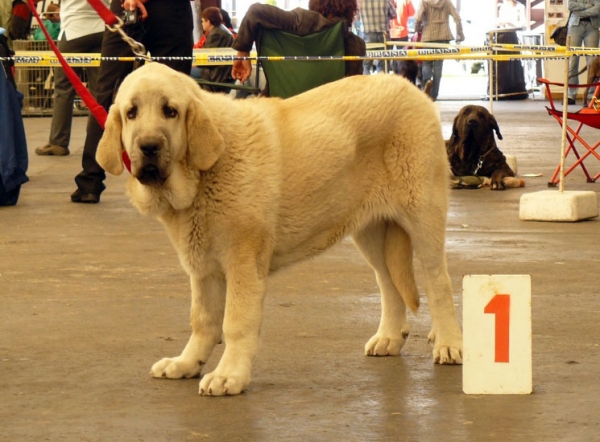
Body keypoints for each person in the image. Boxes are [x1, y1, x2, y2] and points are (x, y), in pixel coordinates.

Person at [71, 0, 193, 203]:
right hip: (172, 12)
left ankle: (90, 181)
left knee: (106, 94)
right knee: (176, 96)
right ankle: (176, 178)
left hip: (126, 8)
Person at [231, 0, 366, 90]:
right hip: (328, 117)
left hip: (281, 107)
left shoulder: (300, 21)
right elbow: (352, 91)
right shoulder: (356, 45)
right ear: (351, 9)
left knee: (246, 84)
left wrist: (243, 54)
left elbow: (254, 11)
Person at [35, 0, 107, 156]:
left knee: (64, 87)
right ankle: (99, 141)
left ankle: (58, 142)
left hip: (74, 29)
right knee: (99, 90)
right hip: (102, 28)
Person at [415, 0, 464, 101]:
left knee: (426, 63)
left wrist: (417, 29)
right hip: (443, 35)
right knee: (438, 66)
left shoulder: (424, 1)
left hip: (428, 35)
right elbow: (457, 18)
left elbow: (418, 18)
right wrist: (460, 35)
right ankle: (434, 95)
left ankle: (428, 81)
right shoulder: (447, 2)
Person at [191, 7, 235, 93]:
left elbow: (205, 60)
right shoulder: (222, 29)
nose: (202, 24)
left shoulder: (216, 34)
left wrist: (193, 63)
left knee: (185, 73)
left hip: (216, 74)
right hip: (222, 71)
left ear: (208, 22)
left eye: (203, 21)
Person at [566, 0, 600, 105]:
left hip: (592, 27)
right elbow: (570, 5)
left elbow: (597, 10)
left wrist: (580, 11)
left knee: (593, 63)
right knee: (573, 61)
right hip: (575, 26)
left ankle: (591, 96)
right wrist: (588, 6)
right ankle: (571, 95)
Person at [360, 0, 395, 74]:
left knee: (366, 64)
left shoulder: (361, 1)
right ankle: (381, 84)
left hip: (367, 34)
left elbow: (356, 16)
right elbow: (394, 14)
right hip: (383, 34)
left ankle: (366, 84)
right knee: (383, 63)